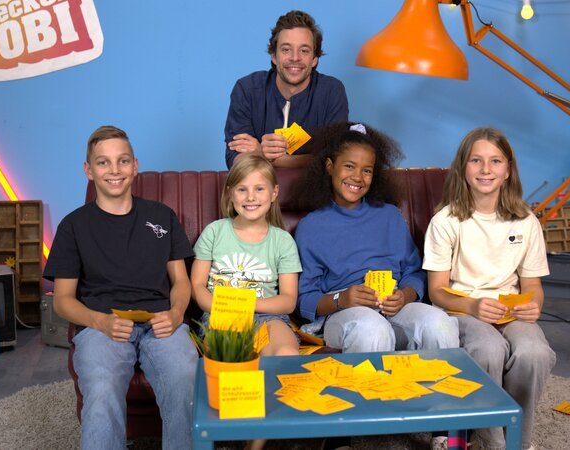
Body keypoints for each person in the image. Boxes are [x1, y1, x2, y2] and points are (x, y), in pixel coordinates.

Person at [43, 126, 198, 449]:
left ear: (135, 165)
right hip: (103, 325)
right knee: (100, 388)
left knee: (184, 375)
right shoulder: (73, 226)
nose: (114, 171)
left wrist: (176, 312)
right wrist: (101, 322)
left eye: (122, 161)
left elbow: (181, 282)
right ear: (88, 170)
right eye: (103, 163)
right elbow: (62, 301)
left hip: (160, 323)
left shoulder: (162, 216)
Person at [423, 127, 555, 450]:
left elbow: (533, 286)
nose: (486, 170)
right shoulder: (446, 220)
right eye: (476, 161)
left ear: (508, 170)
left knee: (535, 352)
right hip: (464, 308)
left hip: (511, 311)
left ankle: (518, 439)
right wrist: (472, 305)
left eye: (495, 161)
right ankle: (496, 443)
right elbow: (437, 290)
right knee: (488, 349)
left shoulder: (526, 221)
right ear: (462, 168)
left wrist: (534, 305)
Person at [294, 121, 459, 355]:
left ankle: (438, 391)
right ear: (330, 166)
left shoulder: (390, 215)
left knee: (438, 324)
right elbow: (304, 299)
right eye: (349, 166)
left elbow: (414, 272)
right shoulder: (311, 226)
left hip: (395, 309)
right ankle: (373, 392)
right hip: (342, 314)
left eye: (367, 170)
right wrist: (342, 299)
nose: (358, 177)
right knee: (372, 329)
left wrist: (405, 295)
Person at [191, 154, 301, 358]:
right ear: (230, 193)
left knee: (286, 353)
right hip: (221, 314)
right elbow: (197, 287)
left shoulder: (283, 241)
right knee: (229, 353)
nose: (250, 197)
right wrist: (226, 308)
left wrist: (248, 305)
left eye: (259, 189)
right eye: (242, 189)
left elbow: (288, 300)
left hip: (268, 317)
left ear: (274, 192)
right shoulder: (214, 232)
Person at [224, 10, 349, 169]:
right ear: (274, 56)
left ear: (314, 59)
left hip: (311, 192)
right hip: (258, 192)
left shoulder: (331, 91)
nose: (295, 57)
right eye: (286, 49)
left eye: (304, 50)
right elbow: (234, 158)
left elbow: (336, 158)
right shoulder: (247, 89)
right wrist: (262, 154)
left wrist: (270, 157)